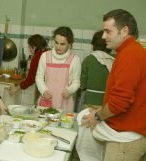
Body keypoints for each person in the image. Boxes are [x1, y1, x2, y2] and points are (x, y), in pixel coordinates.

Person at [76, 9, 146, 161]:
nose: (103, 36)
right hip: (126, 136)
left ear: (124, 31)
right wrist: (100, 110)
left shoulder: (130, 55)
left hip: (125, 141)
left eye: (108, 31)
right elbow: (126, 98)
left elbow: (120, 103)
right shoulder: (131, 52)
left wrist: (97, 116)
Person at [35, 26, 81, 112]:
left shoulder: (75, 59)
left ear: (69, 44)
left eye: (62, 44)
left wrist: (70, 90)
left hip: (65, 102)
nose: (58, 47)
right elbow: (39, 77)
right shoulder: (45, 56)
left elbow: (76, 82)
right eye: (56, 43)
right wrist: (43, 90)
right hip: (46, 100)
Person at [80, 30, 114, 110]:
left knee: (88, 120)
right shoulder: (113, 60)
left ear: (93, 45)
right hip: (107, 102)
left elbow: (82, 82)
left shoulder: (89, 59)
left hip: (90, 100)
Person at [9, 34, 49, 99]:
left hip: (45, 89)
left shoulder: (38, 56)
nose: (30, 50)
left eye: (30, 47)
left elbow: (31, 79)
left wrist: (16, 88)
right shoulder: (48, 52)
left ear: (34, 47)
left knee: (40, 107)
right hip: (55, 87)